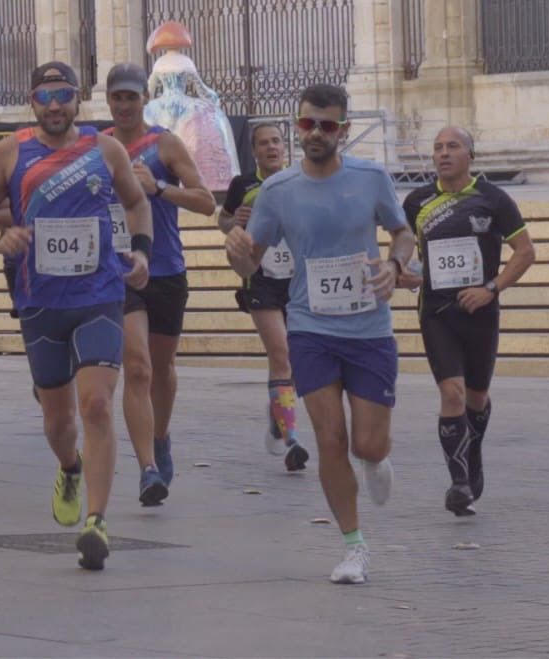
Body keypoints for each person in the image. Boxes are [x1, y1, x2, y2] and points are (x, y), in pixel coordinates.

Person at [225, 83, 415, 585]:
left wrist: (395, 265)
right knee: (330, 438)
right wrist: (236, 249)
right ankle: (353, 546)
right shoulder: (278, 189)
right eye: (306, 124)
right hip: (309, 326)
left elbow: (403, 232)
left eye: (326, 126)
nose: (314, 134)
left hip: (368, 328)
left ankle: (376, 461)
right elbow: (252, 258)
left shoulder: (371, 177)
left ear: (343, 131)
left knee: (367, 445)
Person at [0, 61, 153, 572]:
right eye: (46, 96)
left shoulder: (104, 149)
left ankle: (96, 521)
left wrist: (140, 251)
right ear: (32, 101)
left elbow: (138, 204)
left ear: (77, 101)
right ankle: (69, 466)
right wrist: (0, 237)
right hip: (40, 299)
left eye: (64, 95)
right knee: (58, 419)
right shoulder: (10, 152)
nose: (55, 105)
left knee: (95, 405)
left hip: (100, 294)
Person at [400, 126, 535, 517]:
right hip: (437, 312)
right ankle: (459, 483)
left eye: (453, 146)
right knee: (453, 393)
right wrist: (404, 271)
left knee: (475, 397)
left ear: (470, 154)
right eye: (438, 148)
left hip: (481, 311)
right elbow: (405, 250)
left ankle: (472, 453)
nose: (444, 154)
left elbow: (525, 253)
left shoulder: (493, 199)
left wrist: (491, 288)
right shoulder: (417, 202)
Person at [101, 62, 216, 506]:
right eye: (118, 97)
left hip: (166, 269)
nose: (125, 104)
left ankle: (161, 437)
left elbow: (206, 202)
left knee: (162, 370)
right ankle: (148, 467)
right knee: (139, 367)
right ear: (108, 101)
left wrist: (159, 188)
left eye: (132, 97)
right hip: (121, 271)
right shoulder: (101, 148)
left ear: (143, 100)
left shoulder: (164, 144)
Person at [218, 121, 309, 472]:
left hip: (299, 279)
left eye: (276, 142)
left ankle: (278, 414)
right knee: (281, 352)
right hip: (261, 278)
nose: (271, 148)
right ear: (254, 151)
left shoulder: (300, 181)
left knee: (296, 358)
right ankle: (293, 440)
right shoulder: (243, 185)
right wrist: (235, 221)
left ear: (285, 148)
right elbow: (223, 223)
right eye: (263, 144)